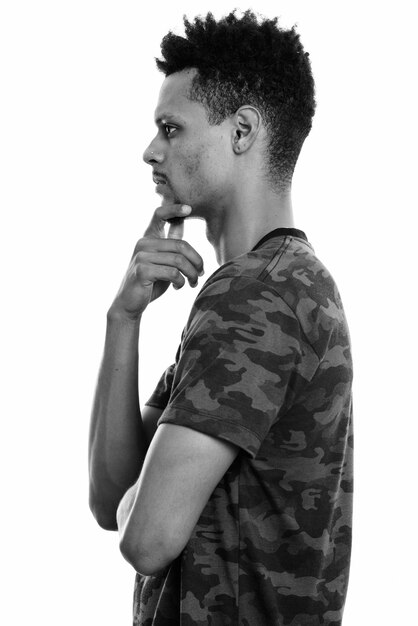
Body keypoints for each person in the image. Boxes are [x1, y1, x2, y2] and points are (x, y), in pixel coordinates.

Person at [88, 9, 353, 626]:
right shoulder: (269, 285)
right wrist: (122, 318)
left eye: (171, 128)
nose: (150, 151)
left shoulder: (256, 295)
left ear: (241, 131)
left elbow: (145, 539)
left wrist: (143, 502)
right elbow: (110, 500)